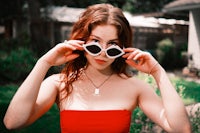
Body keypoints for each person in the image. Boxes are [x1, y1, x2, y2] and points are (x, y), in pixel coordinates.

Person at [4, 3, 191, 133]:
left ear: (122, 48)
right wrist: (43, 63)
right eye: (95, 43)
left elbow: (181, 129)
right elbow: (13, 122)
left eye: (112, 46)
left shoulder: (135, 87)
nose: (102, 53)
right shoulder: (59, 83)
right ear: (81, 41)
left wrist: (158, 72)